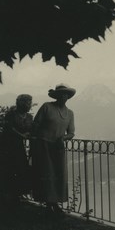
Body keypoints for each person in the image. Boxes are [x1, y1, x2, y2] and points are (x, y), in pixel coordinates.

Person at [32, 84, 75, 214]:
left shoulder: (70, 113)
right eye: (61, 94)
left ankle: (55, 203)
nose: (64, 96)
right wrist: (35, 141)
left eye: (66, 94)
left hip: (58, 148)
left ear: (68, 97)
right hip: (44, 145)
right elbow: (36, 124)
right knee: (46, 173)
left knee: (58, 175)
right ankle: (49, 203)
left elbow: (71, 133)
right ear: (56, 96)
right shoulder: (47, 107)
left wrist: (63, 138)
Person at [0, 94, 33, 207]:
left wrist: (28, 134)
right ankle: (8, 195)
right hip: (7, 146)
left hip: (19, 146)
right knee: (8, 169)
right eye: (26, 102)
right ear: (20, 103)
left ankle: (16, 195)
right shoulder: (11, 115)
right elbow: (9, 129)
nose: (28, 105)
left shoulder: (29, 117)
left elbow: (31, 129)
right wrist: (22, 136)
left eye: (29, 102)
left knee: (20, 169)